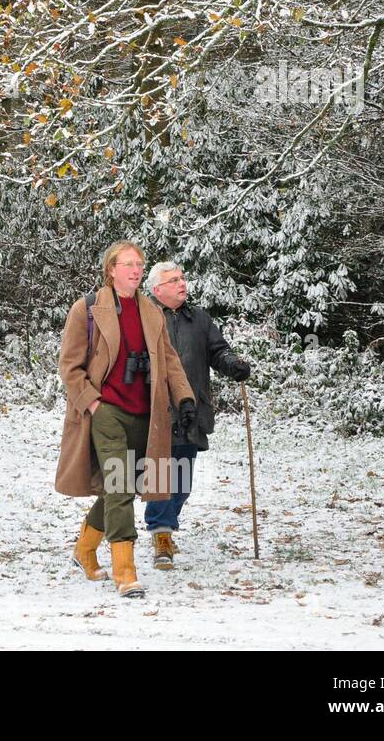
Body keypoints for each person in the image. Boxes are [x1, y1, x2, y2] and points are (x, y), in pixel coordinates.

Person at [55, 240, 196, 598]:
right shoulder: (86, 309)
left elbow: (170, 360)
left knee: (127, 487)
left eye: (139, 264)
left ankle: (85, 549)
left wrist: (185, 397)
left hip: (147, 414)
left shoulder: (151, 311)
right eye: (128, 263)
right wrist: (92, 404)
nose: (136, 270)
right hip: (106, 411)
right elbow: (69, 368)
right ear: (111, 269)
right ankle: (125, 571)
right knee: (118, 486)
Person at [144, 261, 252, 568]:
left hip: (193, 408)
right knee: (159, 474)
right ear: (157, 289)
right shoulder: (145, 318)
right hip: (156, 409)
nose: (182, 283)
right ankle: (161, 533)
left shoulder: (199, 319)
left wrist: (232, 365)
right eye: (174, 280)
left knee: (182, 481)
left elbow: (218, 351)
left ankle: (163, 524)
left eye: (182, 278)